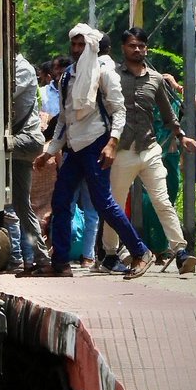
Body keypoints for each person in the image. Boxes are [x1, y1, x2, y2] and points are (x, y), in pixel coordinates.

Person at [35, 24, 153, 278]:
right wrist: (50, 151)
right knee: (60, 201)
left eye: (82, 45)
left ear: (92, 46)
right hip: (74, 149)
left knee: (104, 203)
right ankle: (61, 262)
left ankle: (140, 252)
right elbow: (65, 119)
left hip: (96, 144)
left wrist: (112, 143)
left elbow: (119, 111)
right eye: (74, 45)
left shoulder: (103, 73)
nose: (78, 49)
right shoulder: (68, 76)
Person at [100, 27, 196, 275]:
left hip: (149, 148)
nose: (137, 50)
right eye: (133, 45)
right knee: (116, 204)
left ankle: (180, 251)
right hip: (121, 151)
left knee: (162, 201)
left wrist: (182, 136)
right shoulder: (111, 76)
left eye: (141, 46)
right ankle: (110, 254)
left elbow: (168, 115)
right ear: (124, 48)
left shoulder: (155, 79)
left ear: (146, 48)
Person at [9, 50, 51, 273]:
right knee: (21, 206)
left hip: (25, 140)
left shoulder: (21, 67)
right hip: (19, 143)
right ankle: (41, 258)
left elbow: (5, 95)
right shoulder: (13, 65)